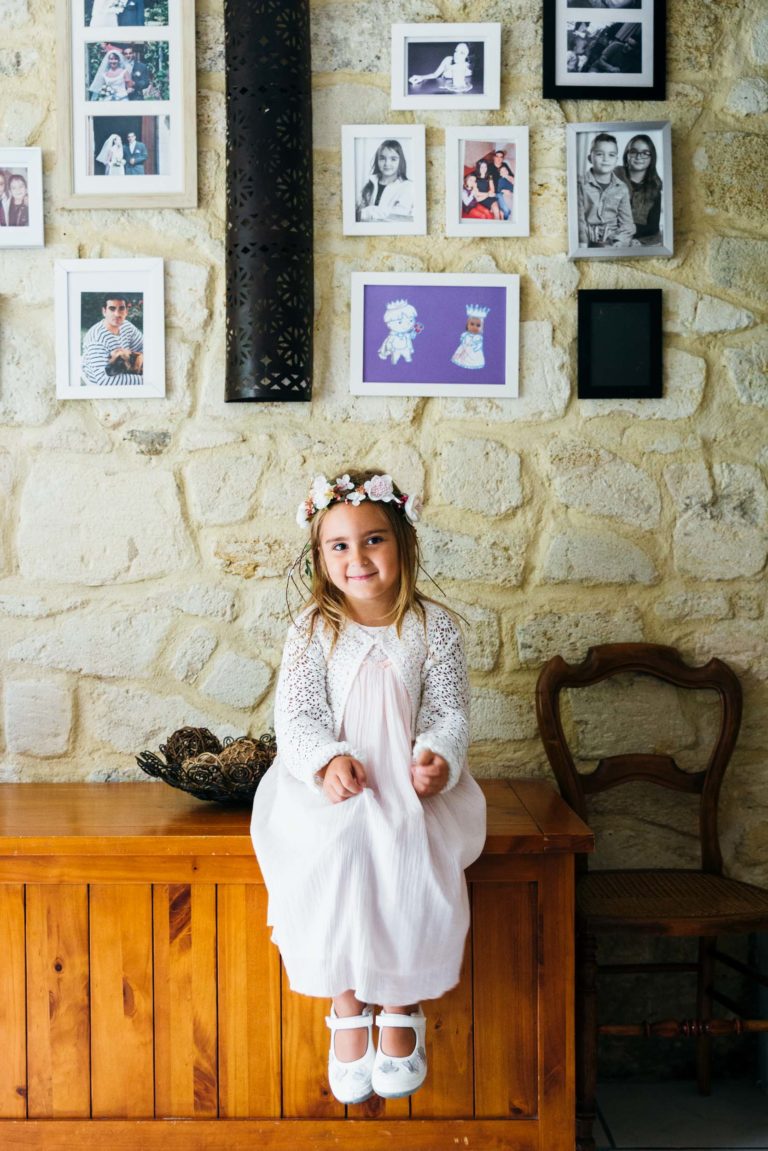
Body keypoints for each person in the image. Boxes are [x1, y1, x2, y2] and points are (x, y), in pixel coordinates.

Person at [251, 470, 486, 1106]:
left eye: (373, 540)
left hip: (408, 785)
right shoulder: (311, 629)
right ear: (320, 557)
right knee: (338, 864)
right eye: (340, 546)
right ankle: (348, 1004)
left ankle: (400, 1002)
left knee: (408, 859)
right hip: (335, 788)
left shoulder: (433, 628)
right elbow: (295, 717)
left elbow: (450, 710)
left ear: (403, 543)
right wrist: (325, 762)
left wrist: (439, 755)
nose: (358, 559)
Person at [577, 132, 635, 248]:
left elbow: (627, 224)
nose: (605, 159)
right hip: (589, 240)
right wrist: (583, 242)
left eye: (611, 155)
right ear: (590, 158)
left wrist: (619, 242)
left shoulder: (622, 188)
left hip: (613, 240)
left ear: (616, 160)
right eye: (599, 154)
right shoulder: (580, 184)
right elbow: (579, 219)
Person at [81, 296, 144, 387]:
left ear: (126, 311)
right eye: (112, 309)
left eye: (121, 308)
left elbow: (147, 348)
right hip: (100, 384)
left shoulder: (127, 326)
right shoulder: (96, 338)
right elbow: (105, 381)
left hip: (125, 374)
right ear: (104, 311)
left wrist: (140, 360)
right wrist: (148, 379)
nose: (117, 314)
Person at [615, 134, 663, 246]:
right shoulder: (614, 176)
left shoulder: (654, 187)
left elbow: (652, 227)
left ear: (652, 158)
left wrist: (628, 233)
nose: (639, 156)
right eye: (633, 151)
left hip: (643, 239)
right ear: (627, 155)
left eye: (645, 153)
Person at [357, 140, 414, 224]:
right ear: (377, 160)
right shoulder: (371, 183)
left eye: (393, 159)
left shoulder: (407, 187)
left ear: (400, 162)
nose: (387, 163)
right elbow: (357, 212)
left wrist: (368, 211)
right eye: (382, 158)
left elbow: (399, 215)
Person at [378, 299, 422, 365]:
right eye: (400, 322)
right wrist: (390, 348)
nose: (407, 325)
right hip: (396, 350)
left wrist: (415, 331)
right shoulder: (392, 335)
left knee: (408, 358)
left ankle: (409, 364)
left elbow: (412, 337)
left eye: (411, 320)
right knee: (395, 359)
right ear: (389, 324)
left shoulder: (407, 333)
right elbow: (389, 342)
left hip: (405, 348)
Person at [451, 304, 489, 369]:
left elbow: (477, 347)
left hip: (472, 352)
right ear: (467, 325)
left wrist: (474, 346)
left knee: (471, 360)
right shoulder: (465, 335)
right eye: (472, 324)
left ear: (482, 327)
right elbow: (463, 344)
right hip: (464, 348)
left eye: (478, 325)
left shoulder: (477, 338)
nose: (474, 327)